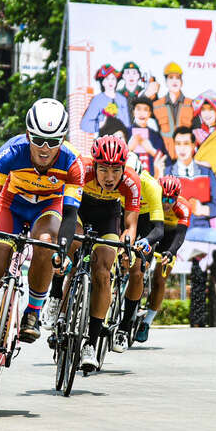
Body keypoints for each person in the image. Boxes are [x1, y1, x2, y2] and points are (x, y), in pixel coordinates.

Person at [0, 98, 82, 384]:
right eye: (38, 140)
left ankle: (32, 313)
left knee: (47, 242)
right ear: (28, 135)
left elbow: (72, 215)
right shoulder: (10, 152)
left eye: (53, 142)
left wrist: (62, 249)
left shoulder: (73, 164)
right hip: (11, 204)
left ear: (62, 140)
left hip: (48, 207)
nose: (45, 148)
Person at [47, 135, 140, 371]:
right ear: (95, 166)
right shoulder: (82, 168)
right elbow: (65, 207)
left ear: (123, 168)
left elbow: (129, 226)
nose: (110, 178)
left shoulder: (131, 182)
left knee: (103, 273)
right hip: (79, 210)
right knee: (71, 249)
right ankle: (56, 296)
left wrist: (126, 246)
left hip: (108, 218)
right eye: (104, 170)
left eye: (116, 170)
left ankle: (91, 341)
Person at [113, 152, 165, 353]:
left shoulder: (151, 186)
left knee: (137, 271)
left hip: (145, 225)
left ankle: (124, 328)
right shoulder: (113, 179)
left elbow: (159, 229)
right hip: (120, 216)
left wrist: (146, 241)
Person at [135, 175, 191, 343]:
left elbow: (180, 236)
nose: (166, 203)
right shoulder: (151, 199)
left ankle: (147, 322)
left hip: (170, 240)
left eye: (170, 199)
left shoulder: (183, 208)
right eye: (163, 198)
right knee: (136, 268)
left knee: (160, 279)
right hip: (153, 233)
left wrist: (171, 252)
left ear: (177, 197)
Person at [159, 127, 216, 228]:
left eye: (186, 144)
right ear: (174, 146)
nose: (182, 149)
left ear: (193, 146)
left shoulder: (206, 172)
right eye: (178, 144)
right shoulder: (165, 172)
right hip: (173, 229)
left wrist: (203, 209)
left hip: (201, 229)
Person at [152, 62, 193, 159]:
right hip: (165, 156)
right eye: (171, 77)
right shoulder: (156, 105)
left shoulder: (191, 104)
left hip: (186, 156)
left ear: (181, 81)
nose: (174, 81)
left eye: (177, 78)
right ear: (166, 81)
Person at [80, 64, 131, 133]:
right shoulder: (97, 99)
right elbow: (84, 124)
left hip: (120, 137)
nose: (110, 82)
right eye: (107, 79)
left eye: (113, 78)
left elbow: (127, 124)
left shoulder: (122, 99)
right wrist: (101, 124)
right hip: (104, 137)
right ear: (103, 82)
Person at [128, 96, 168, 176]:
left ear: (150, 113)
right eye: (138, 109)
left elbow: (167, 161)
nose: (141, 113)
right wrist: (129, 148)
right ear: (133, 112)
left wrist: (152, 151)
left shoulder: (155, 136)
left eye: (145, 110)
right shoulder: (126, 132)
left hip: (152, 181)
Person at [188, 249, 207, 327]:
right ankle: (196, 322)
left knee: (198, 307)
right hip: (197, 292)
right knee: (197, 307)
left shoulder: (196, 266)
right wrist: (204, 275)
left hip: (199, 291)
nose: (200, 258)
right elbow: (199, 279)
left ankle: (199, 321)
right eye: (199, 257)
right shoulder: (195, 267)